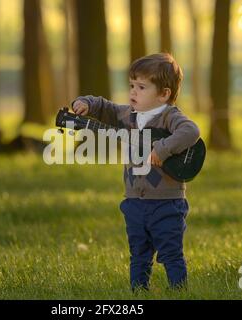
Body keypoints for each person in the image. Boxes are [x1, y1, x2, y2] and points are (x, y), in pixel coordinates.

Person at [72, 53, 201, 291]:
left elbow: (191, 131)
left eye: (141, 87)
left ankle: (179, 292)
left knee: (170, 253)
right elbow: (104, 107)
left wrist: (162, 149)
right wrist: (86, 103)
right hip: (133, 203)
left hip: (167, 203)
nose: (133, 92)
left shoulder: (168, 117)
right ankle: (139, 293)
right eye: (131, 85)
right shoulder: (126, 115)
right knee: (138, 254)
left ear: (164, 94)